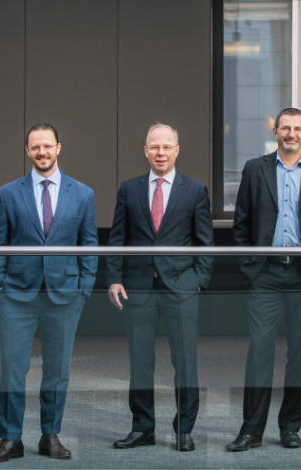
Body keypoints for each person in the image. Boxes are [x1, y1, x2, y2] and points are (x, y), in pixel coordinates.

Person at [226, 108, 301, 451]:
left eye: (298, 128)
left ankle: (291, 427)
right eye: (285, 128)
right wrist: (249, 264)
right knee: (259, 351)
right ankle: (251, 431)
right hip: (265, 273)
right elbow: (241, 224)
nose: (291, 134)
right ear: (275, 132)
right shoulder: (255, 169)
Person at [0, 123, 97, 462]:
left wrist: (84, 287)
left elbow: (89, 244)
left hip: (65, 294)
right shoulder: (8, 193)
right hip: (17, 295)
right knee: (12, 369)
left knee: (57, 370)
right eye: (35, 147)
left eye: (47, 146)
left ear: (58, 147)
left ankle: (50, 436)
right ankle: (10, 439)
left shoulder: (83, 194)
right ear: (27, 151)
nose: (42, 152)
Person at [106, 123, 214, 452]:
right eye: (154, 147)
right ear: (145, 151)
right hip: (138, 288)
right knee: (140, 361)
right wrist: (114, 277)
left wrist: (198, 281)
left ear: (177, 151)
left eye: (167, 147)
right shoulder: (129, 189)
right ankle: (142, 428)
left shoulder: (194, 190)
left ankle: (184, 429)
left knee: (185, 362)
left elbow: (205, 242)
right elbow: (118, 238)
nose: (161, 153)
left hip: (181, 287)